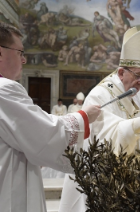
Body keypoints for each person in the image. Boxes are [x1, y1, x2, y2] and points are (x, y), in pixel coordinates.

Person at [59, 26, 140, 212]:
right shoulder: (100, 95)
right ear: (121, 72)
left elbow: (130, 129)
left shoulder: (127, 92)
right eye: (138, 76)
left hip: (123, 175)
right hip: (97, 178)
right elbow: (106, 136)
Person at [0, 22, 101, 211]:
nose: (24, 60)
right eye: (20, 52)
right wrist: (84, 118)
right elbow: (44, 135)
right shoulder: (4, 89)